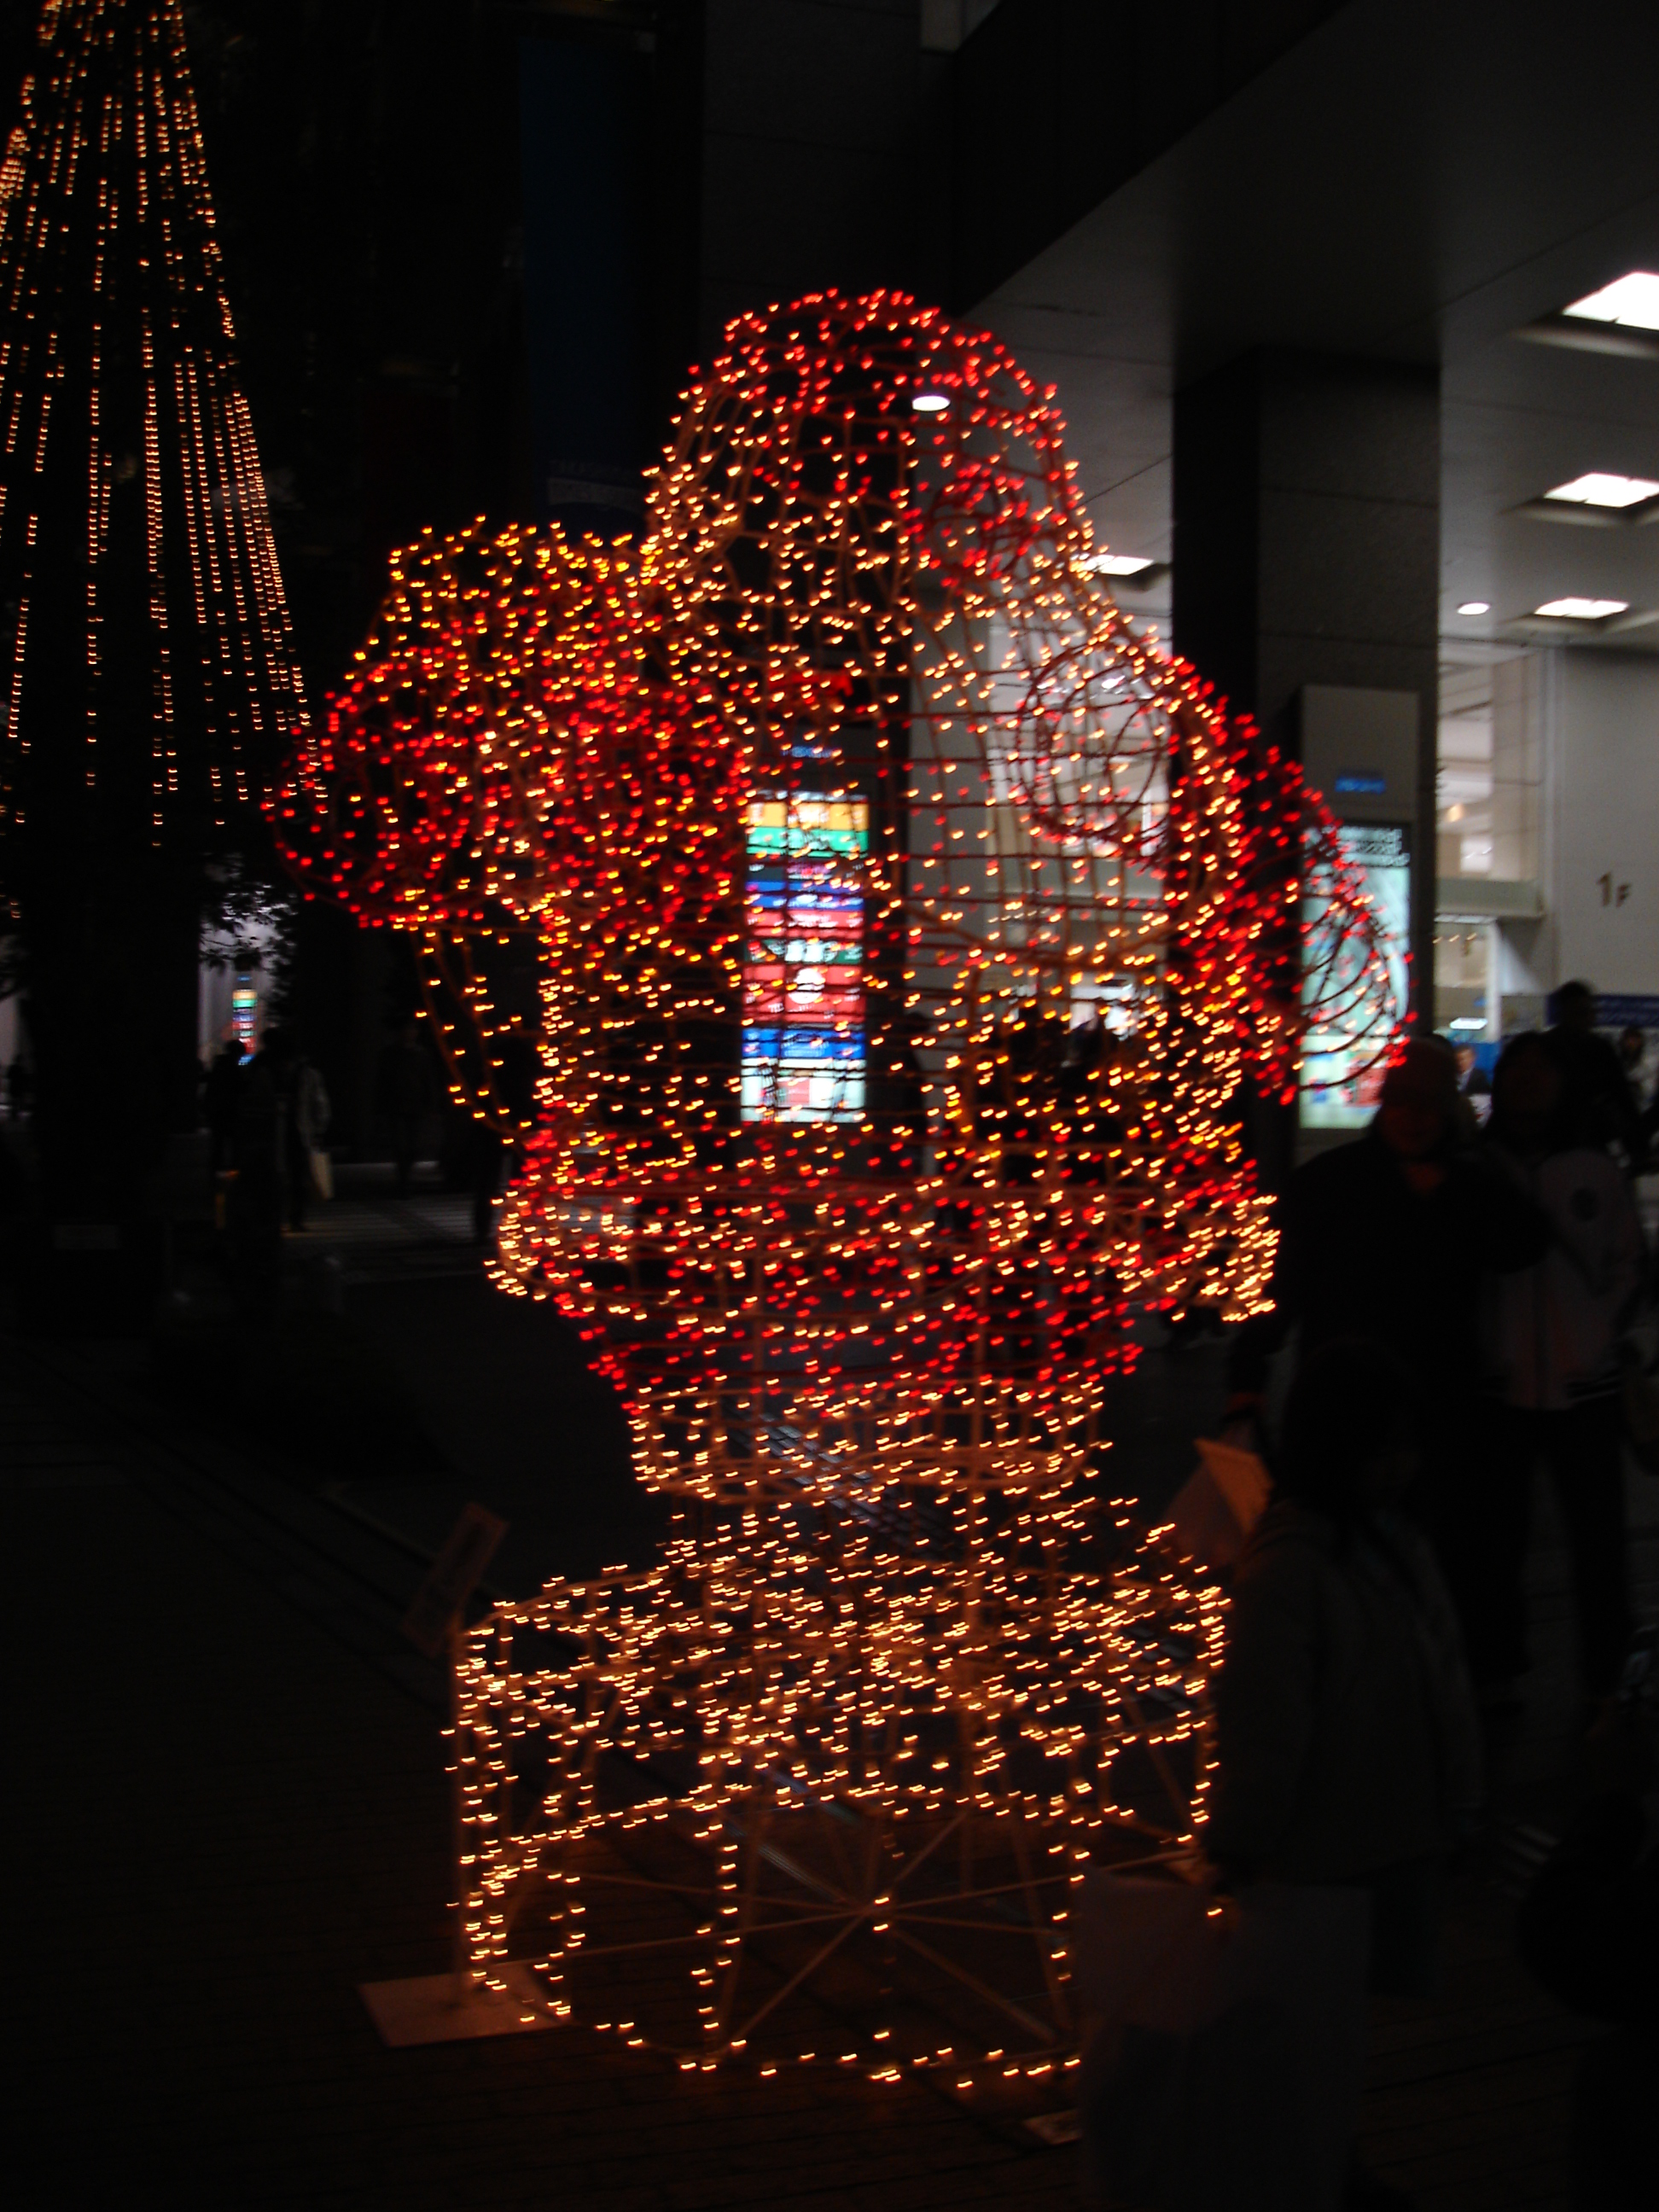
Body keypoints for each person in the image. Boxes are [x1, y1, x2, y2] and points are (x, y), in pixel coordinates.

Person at [1207, 1338, 1481, 2209]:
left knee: (1331, 2033)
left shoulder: (1391, 1539)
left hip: (1383, 1835)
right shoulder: (1292, 1566)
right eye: (1382, 1448)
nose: (1400, 1467)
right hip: (1317, 1852)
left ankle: (1322, 2165)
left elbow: (1445, 1680)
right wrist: (1239, 1841)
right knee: (1305, 2032)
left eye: (1409, 1446)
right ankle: (1308, 2174)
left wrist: (1460, 1806)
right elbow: (1265, 1725)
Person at [1225, 1038, 1547, 1632]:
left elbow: (1524, 1243)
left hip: (1438, 1401)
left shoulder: (1464, 1183)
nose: (1413, 1119)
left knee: (1431, 1547)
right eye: (1402, 1103)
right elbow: (1278, 1288)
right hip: (1344, 1401)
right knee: (1341, 1548)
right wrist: (1248, 1377)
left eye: (1427, 1105)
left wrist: (1458, 1185)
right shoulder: (1331, 1183)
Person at [1476, 1032, 1643, 1704]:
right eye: (1518, 1066)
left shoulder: (1593, 1169)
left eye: (1544, 1066)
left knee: (1598, 1542)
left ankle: (1608, 1672)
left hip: (1585, 1384)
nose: (1529, 1079)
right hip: (1502, 1387)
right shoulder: (1478, 1168)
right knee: (1497, 1539)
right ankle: (1499, 1661)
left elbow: (1630, 1263)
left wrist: (1597, 1336)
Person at [1550, 981, 1645, 1164]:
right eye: (1582, 1012)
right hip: (1566, 1139)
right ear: (1565, 1012)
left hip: (1589, 1139)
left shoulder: (1600, 1049)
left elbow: (1622, 1097)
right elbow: (1622, 1097)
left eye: (1590, 1012)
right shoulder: (1551, 1049)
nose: (1589, 1018)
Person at [380, 1021, 435, 1195]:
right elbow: (383, 1080)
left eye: (413, 1029)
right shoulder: (392, 1053)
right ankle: (403, 1180)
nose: (410, 1032)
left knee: (414, 1145)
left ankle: (406, 1178)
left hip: (416, 1104)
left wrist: (430, 1103)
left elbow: (428, 1080)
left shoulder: (421, 1055)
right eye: (407, 1028)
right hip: (397, 1104)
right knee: (400, 1145)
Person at [284, 1045, 330, 1232]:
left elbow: (319, 1105)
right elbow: (320, 1105)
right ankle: (296, 1217)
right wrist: (319, 1130)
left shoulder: (286, 1074)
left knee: (293, 1176)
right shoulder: (309, 1075)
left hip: (291, 1132)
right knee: (299, 1176)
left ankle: (290, 1215)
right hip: (302, 1132)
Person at [203, 1033, 245, 1173]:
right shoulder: (235, 1070)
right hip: (231, 1111)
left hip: (217, 1111)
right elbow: (241, 1089)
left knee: (218, 1143)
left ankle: (216, 1169)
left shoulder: (218, 1065)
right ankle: (233, 1169)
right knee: (234, 1143)